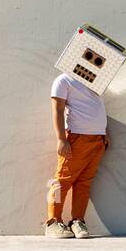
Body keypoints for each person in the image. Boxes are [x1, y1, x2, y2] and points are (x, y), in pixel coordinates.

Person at [44, 70, 109, 239]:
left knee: (84, 183)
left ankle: (77, 221)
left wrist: (104, 132)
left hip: (97, 140)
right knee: (61, 181)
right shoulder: (63, 80)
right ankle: (52, 222)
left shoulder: (94, 81)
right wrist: (61, 139)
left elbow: (97, 107)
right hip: (76, 139)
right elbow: (57, 110)